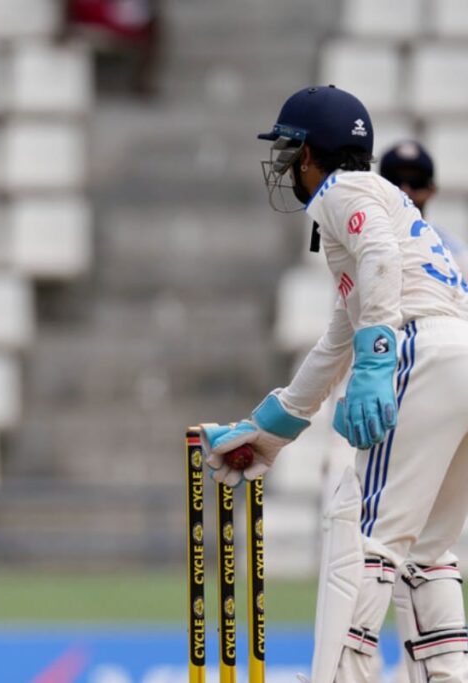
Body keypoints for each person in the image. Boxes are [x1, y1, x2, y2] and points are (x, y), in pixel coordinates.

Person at [203, 85, 468, 683]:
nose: (284, 167)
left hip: (417, 350)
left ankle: (341, 675)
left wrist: (379, 360)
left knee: (367, 526)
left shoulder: (340, 191)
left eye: (288, 152)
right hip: (459, 357)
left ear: (311, 154)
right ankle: (447, 674)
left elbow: (377, 257)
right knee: (427, 547)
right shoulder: (381, 198)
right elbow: (336, 340)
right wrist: (271, 428)